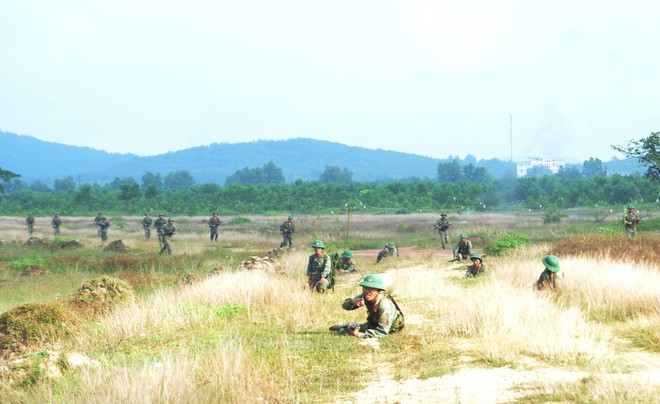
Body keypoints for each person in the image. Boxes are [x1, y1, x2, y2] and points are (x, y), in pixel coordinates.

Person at [329, 274, 404, 338]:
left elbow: (382, 332)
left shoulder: (384, 305)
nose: (368, 291)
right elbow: (344, 306)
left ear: (379, 291)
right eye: (366, 288)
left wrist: (359, 335)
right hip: (374, 323)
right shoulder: (365, 296)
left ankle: (350, 327)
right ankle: (348, 326)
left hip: (388, 327)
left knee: (346, 332)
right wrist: (352, 302)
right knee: (346, 329)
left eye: (372, 289)